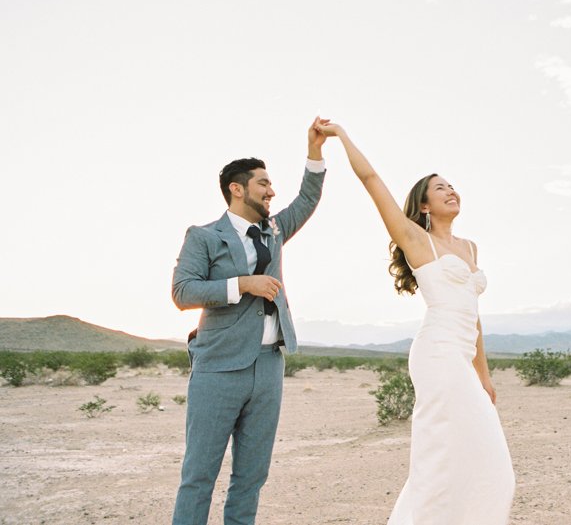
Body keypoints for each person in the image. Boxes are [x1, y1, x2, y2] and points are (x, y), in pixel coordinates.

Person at [316, 120, 515, 524]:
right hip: (436, 355)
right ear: (424, 205)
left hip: (461, 359)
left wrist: (484, 374)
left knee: (487, 461)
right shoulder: (414, 239)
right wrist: (340, 136)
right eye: (440, 187)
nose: (451, 191)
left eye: (452, 185)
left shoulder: (469, 247)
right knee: (441, 459)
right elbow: (371, 179)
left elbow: (473, 318)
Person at [170, 118, 328, 525]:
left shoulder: (274, 230)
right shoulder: (203, 236)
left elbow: (306, 200)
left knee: (252, 476)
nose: (272, 191)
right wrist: (243, 283)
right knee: (199, 475)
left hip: (269, 365)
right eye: (263, 183)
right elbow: (183, 292)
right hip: (218, 367)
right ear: (237, 189)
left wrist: (314, 151)